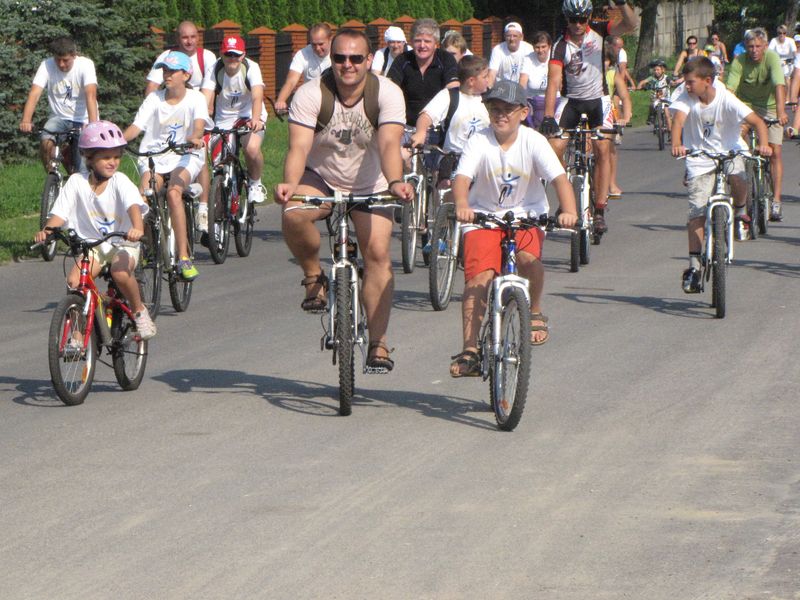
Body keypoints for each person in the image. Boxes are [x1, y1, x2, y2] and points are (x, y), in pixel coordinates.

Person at [274, 29, 414, 371]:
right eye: (339, 58)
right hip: (321, 177)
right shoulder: (310, 94)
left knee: (377, 254)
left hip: (372, 181)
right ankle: (313, 277)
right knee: (293, 213)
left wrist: (395, 182)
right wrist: (290, 184)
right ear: (330, 59)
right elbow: (299, 147)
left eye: (355, 58)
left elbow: (389, 144)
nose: (347, 65)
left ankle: (378, 343)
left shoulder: (387, 93)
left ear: (369, 60)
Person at [448, 81, 578, 376]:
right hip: (483, 216)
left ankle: (534, 311)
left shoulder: (533, 141)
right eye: (495, 109)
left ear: (523, 113)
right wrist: (462, 205)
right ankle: (470, 349)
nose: (501, 115)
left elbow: (559, 179)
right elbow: (462, 178)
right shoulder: (479, 141)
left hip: (526, 215)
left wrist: (569, 211)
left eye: (508, 109)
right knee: (479, 278)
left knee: (527, 259)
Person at [34, 121, 156, 340]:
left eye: (116, 156)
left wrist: (137, 229)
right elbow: (59, 213)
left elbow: (133, 207)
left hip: (123, 242)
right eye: (106, 157)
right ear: (88, 157)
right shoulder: (76, 182)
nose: (113, 162)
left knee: (120, 273)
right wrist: (48, 230)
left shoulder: (120, 181)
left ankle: (139, 311)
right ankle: (78, 335)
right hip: (93, 246)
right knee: (74, 282)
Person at [671, 57, 771, 292]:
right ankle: (694, 267)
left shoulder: (726, 98)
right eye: (686, 82)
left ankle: (740, 212)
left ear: (707, 81)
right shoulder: (686, 97)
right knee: (697, 211)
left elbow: (757, 122)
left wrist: (764, 144)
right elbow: (678, 122)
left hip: (729, 150)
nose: (687, 86)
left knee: (738, 175)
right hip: (700, 158)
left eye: (691, 82)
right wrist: (676, 144)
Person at [540, 0, 638, 236]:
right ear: (567, 19)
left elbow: (631, 24)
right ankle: (567, 196)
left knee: (602, 147)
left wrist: (623, 4)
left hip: (598, 100)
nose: (578, 24)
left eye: (582, 19)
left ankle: (600, 210)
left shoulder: (600, 31)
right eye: (573, 20)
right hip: (571, 101)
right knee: (553, 149)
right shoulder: (559, 45)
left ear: (589, 16)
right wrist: (548, 116)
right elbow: (553, 82)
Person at [124, 51, 212, 281]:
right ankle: (146, 248)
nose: (167, 75)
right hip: (154, 155)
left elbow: (199, 125)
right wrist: (116, 142)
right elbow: (136, 127)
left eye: (172, 71)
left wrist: (194, 137)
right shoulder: (154, 98)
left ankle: (183, 256)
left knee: (174, 193)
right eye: (165, 70)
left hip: (186, 154)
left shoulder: (196, 98)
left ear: (186, 75)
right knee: (144, 197)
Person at [144, 21, 216, 234]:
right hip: (173, 113)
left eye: (193, 37)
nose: (189, 41)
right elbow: (152, 86)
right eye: (185, 37)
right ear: (178, 39)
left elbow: (209, 90)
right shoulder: (167, 56)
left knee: (200, 153)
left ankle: (203, 207)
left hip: (197, 112)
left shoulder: (207, 57)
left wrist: (198, 115)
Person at [727, 27, 788, 222]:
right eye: (750, 46)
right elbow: (730, 89)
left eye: (758, 46)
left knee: (775, 152)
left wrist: (781, 112)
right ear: (745, 46)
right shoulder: (739, 61)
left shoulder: (772, 58)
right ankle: (744, 164)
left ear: (765, 46)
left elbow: (779, 85)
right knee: (737, 136)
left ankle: (776, 200)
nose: (754, 50)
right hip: (746, 105)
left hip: (770, 107)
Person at [201, 35, 268, 204]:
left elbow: (257, 96)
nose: (232, 58)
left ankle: (255, 183)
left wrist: (256, 119)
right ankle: (218, 203)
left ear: (243, 55)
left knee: (251, 148)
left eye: (236, 55)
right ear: (221, 54)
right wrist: (199, 123)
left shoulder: (251, 67)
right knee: (218, 162)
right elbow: (204, 98)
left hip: (249, 114)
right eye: (228, 54)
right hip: (223, 119)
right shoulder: (214, 69)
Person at [19, 37, 99, 174]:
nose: (61, 64)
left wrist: (92, 125)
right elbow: (34, 93)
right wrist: (26, 120)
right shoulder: (46, 65)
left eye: (65, 60)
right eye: (58, 60)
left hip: (83, 119)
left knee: (82, 170)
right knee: (46, 141)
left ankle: (71, 163)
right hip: (59, 117)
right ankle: (53, 177)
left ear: (74, 55)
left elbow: (90, 95)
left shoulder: (86, 65)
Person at [387, 18, 460, 126]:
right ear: (411, 42)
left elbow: (453, 90)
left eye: (427, 41)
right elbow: (389, 89)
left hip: (439, 125)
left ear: (436, 44)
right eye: (418, 41)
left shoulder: (446, 59)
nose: (422, 45)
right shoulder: (402, 60)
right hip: (406, 125)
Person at [274, 23, 332, 113]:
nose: (317, 48)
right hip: (311, 102)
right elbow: (291, 81)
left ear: (330, 40)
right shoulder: (302, 54)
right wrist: (281, 100)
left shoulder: (339, 53)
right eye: (313, 44)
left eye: (321, 44)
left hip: (334, 101)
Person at [605, 44, 632, 198]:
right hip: (586, 112)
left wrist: (625, 117)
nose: (602, 63)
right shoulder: (584, 72)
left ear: (610, 62)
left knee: (610, 148)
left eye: (605, 60)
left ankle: (611, 183)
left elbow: (625, 97)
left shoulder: (612, 75)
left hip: (607, 113)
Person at [519, 31, 552, 129]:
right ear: (533, 47)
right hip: (533, 100)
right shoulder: (528, 59)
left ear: (549, 46)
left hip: (554, 99)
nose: (540, 50)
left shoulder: (555, 57)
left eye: (543, 47)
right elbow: (523, 81)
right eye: (537, 47)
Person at [488, 22, 534, 87]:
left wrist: (519, 92)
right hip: (502, 88)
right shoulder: (497, 49)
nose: (511, 39)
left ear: (521, 37)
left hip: (522, 87)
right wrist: (488, 89)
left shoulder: (528, 49)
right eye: (508, 36)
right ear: (504, 36)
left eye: (515, 36)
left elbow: (525, 76)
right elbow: (492, 74)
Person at [637, 59, 672, 128]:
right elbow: (643, 82)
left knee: (668, 113)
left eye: (658, 70)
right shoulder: (652, 78)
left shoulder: (666, 78)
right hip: (656, 99)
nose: (656, 71)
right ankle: (651, 117)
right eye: (655, 70)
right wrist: (639, 87)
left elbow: (672, 82)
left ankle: (670, 129)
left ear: (663, 70)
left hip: (666, 99)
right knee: (652, 105)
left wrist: (674, 83)